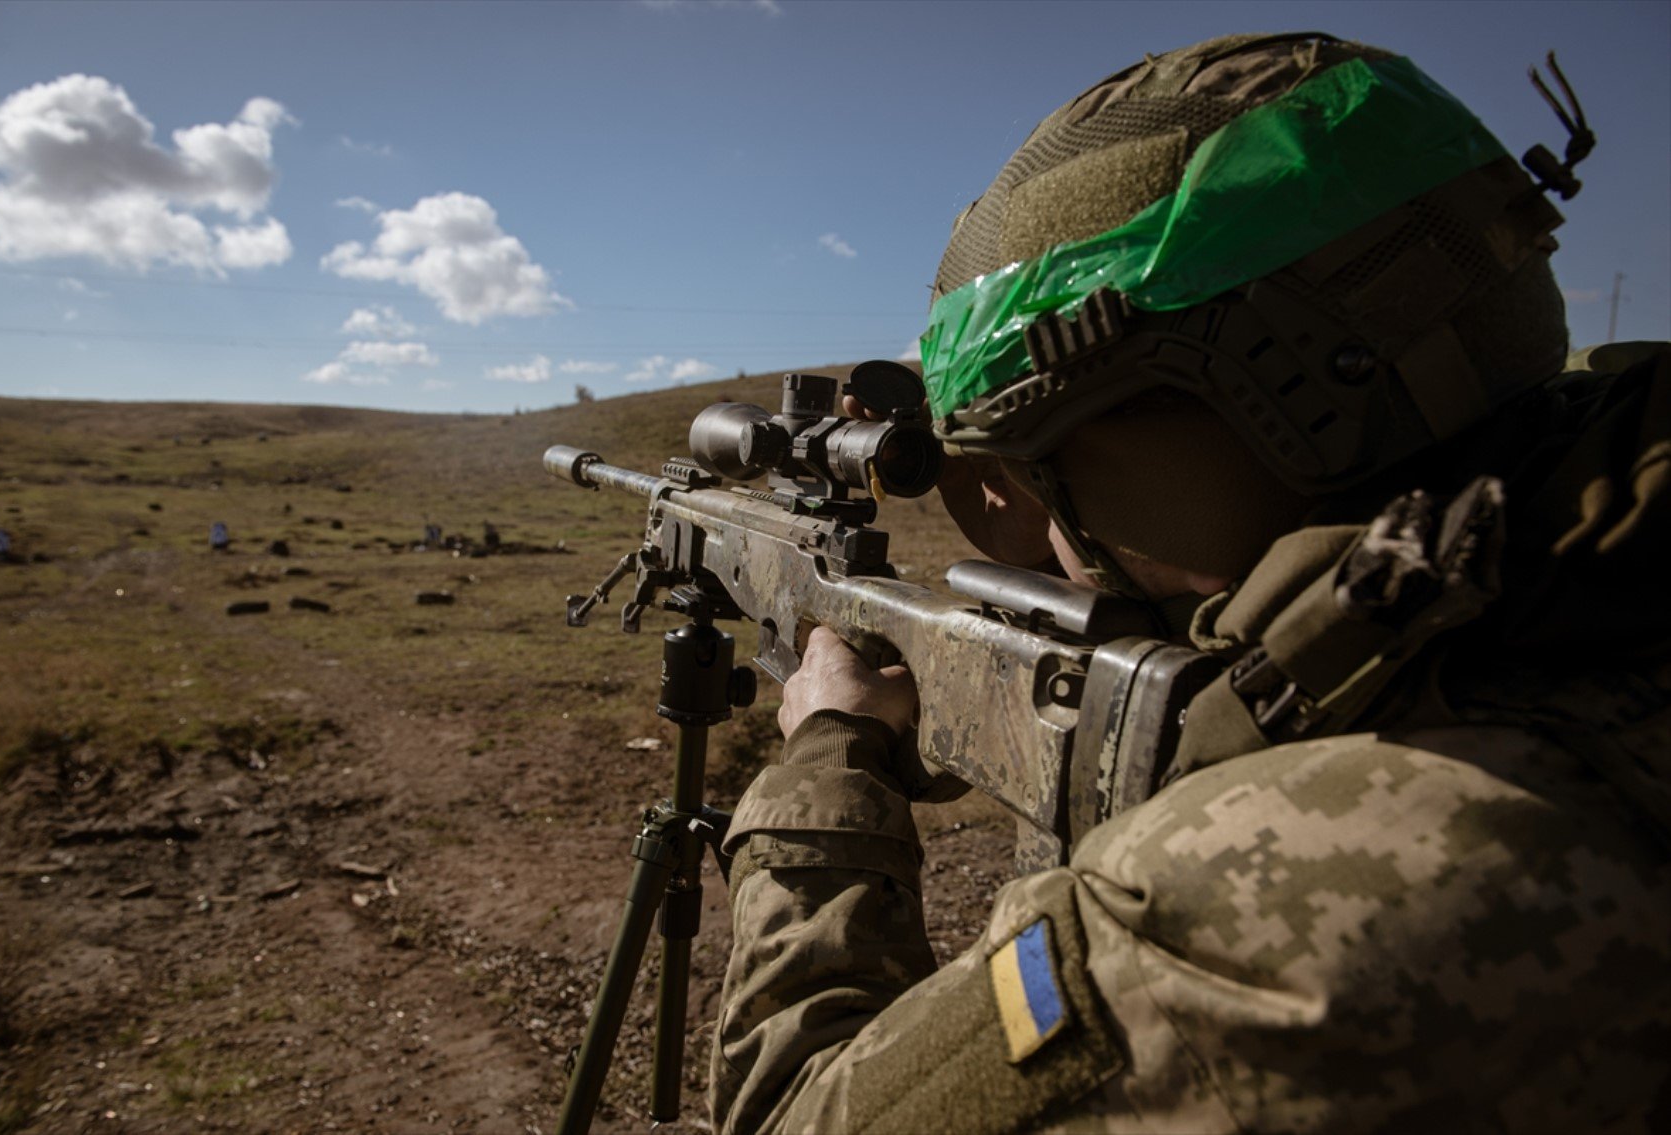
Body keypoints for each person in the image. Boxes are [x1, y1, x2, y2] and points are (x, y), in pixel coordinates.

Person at [708, 33, 1669, 1133]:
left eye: (1040, 468)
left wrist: (825, 757)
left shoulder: (1264, 896)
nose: (1032, 522)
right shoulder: (1604, 545)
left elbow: (792, 1115)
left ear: (1262, 401)